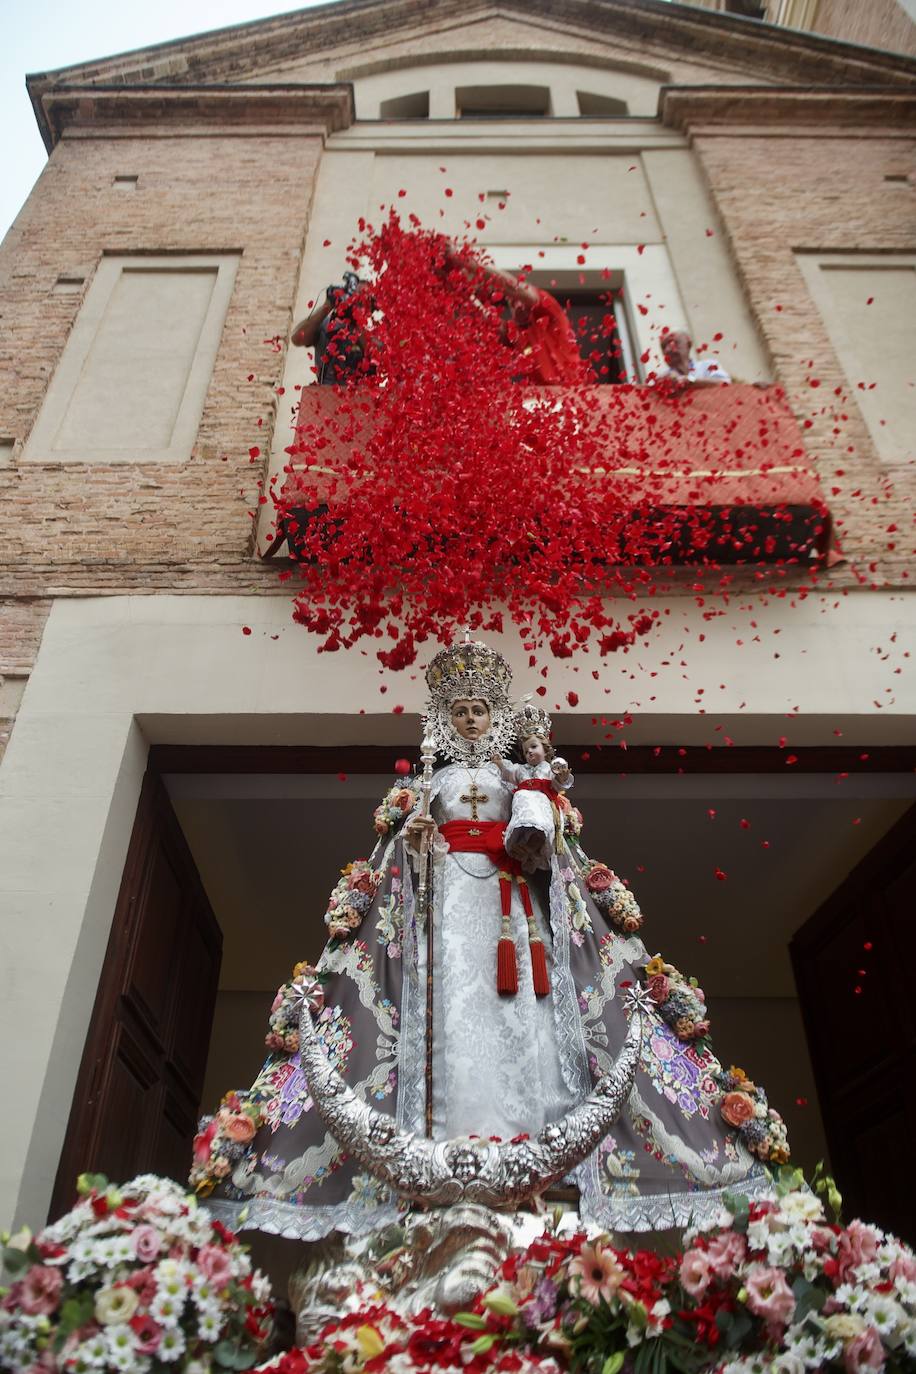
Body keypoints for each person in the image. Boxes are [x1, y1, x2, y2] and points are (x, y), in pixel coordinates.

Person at [192, 638, 784, 1240]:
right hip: (445, 913)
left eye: (479, 709)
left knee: (522, 1016)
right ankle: (444, 1138)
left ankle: (531, 1140)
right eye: (460, 710)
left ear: (493, 715)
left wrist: (539, 823)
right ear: (444, 721)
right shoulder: (430, 783)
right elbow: (399, 862)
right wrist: (419, 841)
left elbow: (556, 855)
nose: (470, 719)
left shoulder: (517, 778)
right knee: (452, 1013)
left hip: (512, 914)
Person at [444, 246, 588, 386]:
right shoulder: (516, 335)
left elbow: (515, 289)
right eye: (512, 303)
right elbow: (483, 319)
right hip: (544, 400)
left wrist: (466, 262)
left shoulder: (549, 311)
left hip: (572, 393)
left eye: (519, 300)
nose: (517, 304)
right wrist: (456, 287)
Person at [492, 703, 574, 873]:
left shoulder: (549, 768)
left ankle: (532, 849)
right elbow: (509, 772)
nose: (529, 752)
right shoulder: (521, 770)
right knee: (523, 827)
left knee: (539, 829)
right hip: (523, 805)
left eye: (534, 747)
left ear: (545, 748)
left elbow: (559, 783)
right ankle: (523, 847)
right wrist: (500, 763)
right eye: (525, 750)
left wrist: (563, 777)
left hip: (541, 804)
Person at [290, 272, 374, 384]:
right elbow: (297, 338)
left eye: (362, 300)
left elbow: (377, 357)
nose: (355, 302)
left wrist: (358, 323)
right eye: (354, 296)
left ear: (371, 307)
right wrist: (328, 304)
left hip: (362, 397)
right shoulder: (328, 324)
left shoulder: (376, 333)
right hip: (327, 395)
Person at [658, 329, 731, 386]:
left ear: (688, 344)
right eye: (663, 347)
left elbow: (725, 383)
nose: (667, 350)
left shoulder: (708, 366)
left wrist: (688, 380)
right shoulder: (661, 379)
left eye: (672, 343)